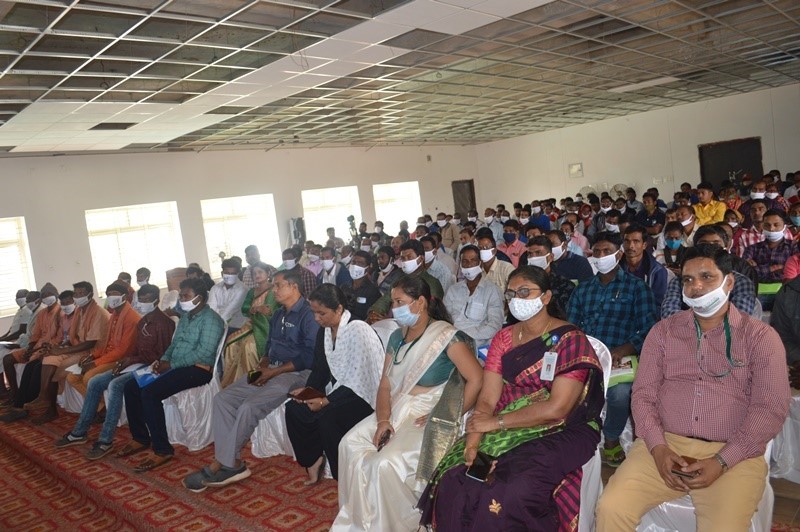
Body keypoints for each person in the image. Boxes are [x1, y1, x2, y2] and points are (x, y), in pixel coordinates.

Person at [596, 244, 790, 531]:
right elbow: (644, 395)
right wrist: (658, 448)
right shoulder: (663, 332)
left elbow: (770, 408)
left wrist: (723, 461)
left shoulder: (760, 337)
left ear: (730, 282)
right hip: (664, 445)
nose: (696, 287)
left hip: (733, 453)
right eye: (688, 279)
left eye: (707, 277)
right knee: (610, 508)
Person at [420, 265, 605, 530]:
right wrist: (472, 445)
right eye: (511, 293)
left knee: (509, 490)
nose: (516, 299)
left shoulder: (569, 340)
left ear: (546, 297)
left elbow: (558, 407)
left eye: (525, 292)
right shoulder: (504, 338)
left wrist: (495, 424)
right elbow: (487, 399)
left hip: (562, 428)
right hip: (503, 420)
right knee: (456, 478)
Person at [333, 275, 483, 531]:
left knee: (383, 463)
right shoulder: (396, 337)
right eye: (393, 302)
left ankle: (400, 524)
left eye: (399, 301)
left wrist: (450, 414)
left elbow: (476, 379)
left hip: (431, 409)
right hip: (397, 406)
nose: (393, 309)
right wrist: (383, 420)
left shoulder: (446, 336)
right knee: (349, 445)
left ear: (420, 302)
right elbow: (385, 385)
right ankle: (360, 522)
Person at [182, 269, 319, 490]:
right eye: (273, 286)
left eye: (278, 286)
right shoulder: (278, 314)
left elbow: (308, 357)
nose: (274, 290)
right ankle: (232, 461)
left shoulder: (308, 314)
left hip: (296, 374)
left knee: (249, 406)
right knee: (223, 399)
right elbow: (269, 347)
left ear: (293, 287)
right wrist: (263, 366)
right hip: (270, 369)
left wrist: (272, 373)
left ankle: (221, 463)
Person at [567, 232, 657, 467]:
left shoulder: (637, 288)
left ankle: (611, 438)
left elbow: (649, 327)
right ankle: (579, 437)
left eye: (606, 251)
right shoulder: (583, 289)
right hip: (587, 354)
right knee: (570, 390)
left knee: (620, 395)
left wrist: (625, 349)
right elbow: (572, 325)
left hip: (621, 355)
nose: (600, 256)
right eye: (596, 251)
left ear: (619, 254)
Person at [54, 284, 175, 459]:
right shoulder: (142, 321)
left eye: (147, 300)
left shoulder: (164, 323)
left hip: (150, 368)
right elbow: (131, 349)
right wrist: (125, 361)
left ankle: (105, 440)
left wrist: (129, 360)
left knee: (116, 385)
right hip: (134, 363)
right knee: (95, 382)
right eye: (140, 299)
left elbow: (162, 356)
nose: (142, 303)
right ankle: (80, 431)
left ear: (156, 300)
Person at [119, 278, 225, 472]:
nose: (182, 299)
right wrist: (162, 360)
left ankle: (162, 449)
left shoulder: (212, 320)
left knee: (150, 393)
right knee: (131, 387)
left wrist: (172, 364)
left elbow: (204, 353)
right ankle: (140, 437)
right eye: (181, 295)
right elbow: (174, 345)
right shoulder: (186, 317)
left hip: (198, 370)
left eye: (186, 296)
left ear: (199, 298)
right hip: (176, 366)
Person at [285, 284, 384, 483]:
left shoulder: (358, 330)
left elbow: (358, 379)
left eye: (322, 313)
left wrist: (325, 401)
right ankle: (313, 460)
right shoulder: (325, 331)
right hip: (337, 391)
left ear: (339, 309)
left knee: (327, 417)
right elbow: (320, 368)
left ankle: (344, 478)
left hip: (362, 396)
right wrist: (309, 391)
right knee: (294, 409)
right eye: (314, 312)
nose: (316, 319)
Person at [28, 282, 110, 425]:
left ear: (90, 294)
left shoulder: (97, 312)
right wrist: (59, 347)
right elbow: (72, 337)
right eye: (76, 293)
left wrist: (63, 350)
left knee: (56, 371)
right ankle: (45, 400)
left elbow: (91, 343)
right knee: (49, 357)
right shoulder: (81, 311)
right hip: (80, 348)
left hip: (94, 352)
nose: (77, 296)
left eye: (80, 294)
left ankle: (50, 406)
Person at [66, 282, 141, 398]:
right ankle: (100, 406)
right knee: (72, 377)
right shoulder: (114, 315)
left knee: (88, 377)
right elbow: (107, 344)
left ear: (124, 297)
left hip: (121, 359)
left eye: (114, 294)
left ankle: (98, 407)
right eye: (108, 294)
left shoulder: (132, 318)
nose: (111, 297)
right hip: (108, 355)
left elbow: (122, 351)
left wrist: (95, 363)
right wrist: (92, 356)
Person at [0, 286, 61, 418]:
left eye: (49, 294)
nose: (46, 297)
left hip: (48, 349)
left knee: (33, 366)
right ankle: (18, 402)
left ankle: (23, 406)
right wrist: (31, 348)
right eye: (44, 294)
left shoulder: (60, 312)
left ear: (56, 295)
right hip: (36, 347)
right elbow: (35, 335)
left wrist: (38, 350)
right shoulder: (43, 313)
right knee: (15, 361)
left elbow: (58, 338)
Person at [220, 262, 279, 388]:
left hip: (265, 327)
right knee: (230, 343)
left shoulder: (273, 290)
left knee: (248, 346)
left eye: (260, 272)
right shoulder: (252, 291)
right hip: (250, 324)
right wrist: (256, 309)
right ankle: (234, 382)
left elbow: (269, 312)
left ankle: (254, 381)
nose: (257, 275)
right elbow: (245, 309)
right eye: (254, 273)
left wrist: (255, 310)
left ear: (268, 274)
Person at [443, 245, 504, 351]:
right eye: (465, 261)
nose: (469, 265)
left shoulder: (492, 291)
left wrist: (462, 335)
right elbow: (443, 318)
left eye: (473, 260)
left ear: (480, 263)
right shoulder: (453, 290)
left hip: (477, 345)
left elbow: (494, 326)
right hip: (450, 342)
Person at [367, 240, 444, 323]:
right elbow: (385, 299)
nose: (406, 261)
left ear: (420, 259)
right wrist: (374, 313)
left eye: (409, 257)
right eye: (403, 258)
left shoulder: (432, 284)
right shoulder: (400, 278)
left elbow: (428, 315)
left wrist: (392, 321)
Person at [525, 236, 576, 315]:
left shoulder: (564, 285)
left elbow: (567, 315)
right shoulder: (523, 283)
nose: (533, 257)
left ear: (551, 257)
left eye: (538, 253)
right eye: (530, 254)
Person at [743, 209, 798, 283]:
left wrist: (758, 268)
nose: (771, 229)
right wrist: (774, 268)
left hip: (786, 290)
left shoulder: (794, 246)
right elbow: (745, 271)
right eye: (767, 225)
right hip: (757, 290)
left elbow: (796, 271)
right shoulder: (752, 248)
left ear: (785, 227)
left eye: (776, 225)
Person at [621, 225, 669, 307]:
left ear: (644, 245)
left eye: (636, 241)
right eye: (627, 241)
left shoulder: (657, 271)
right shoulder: (615, 268)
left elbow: (657, 304)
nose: (630, 246)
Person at [208, 259, 249, 334]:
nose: (230, 276)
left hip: (237, 328)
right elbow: (211, 309)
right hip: (216, 325)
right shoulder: (215, 288)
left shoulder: (243, 289)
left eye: (233, 273)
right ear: (222, 273)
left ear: (237, 274)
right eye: (227, 273)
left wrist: (213, 325)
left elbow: (229, 311)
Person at [342, 251, 381, 321]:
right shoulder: (344, 287)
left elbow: (371, 316)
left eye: (360, 263)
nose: (355, 266)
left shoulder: (373, 291)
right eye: (353, 262)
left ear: (368, 268)